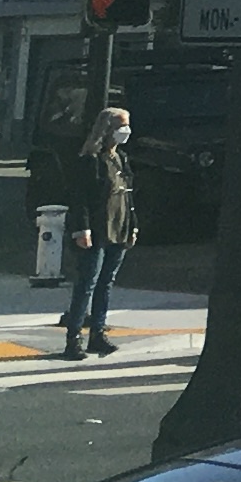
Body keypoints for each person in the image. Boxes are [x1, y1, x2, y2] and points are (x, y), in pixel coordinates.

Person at [59, 105, 136, 361]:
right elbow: (79, 198)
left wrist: (132, 225)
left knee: (106, 282)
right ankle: (73, 339)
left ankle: (97, 334)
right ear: (108, 129)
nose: (126, 131)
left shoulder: (120, 158)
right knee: (87, 283)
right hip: (97, 229)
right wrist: (82, 228)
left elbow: (127, 194)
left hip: (118, 227)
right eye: (121, 126)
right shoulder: (90, 161)